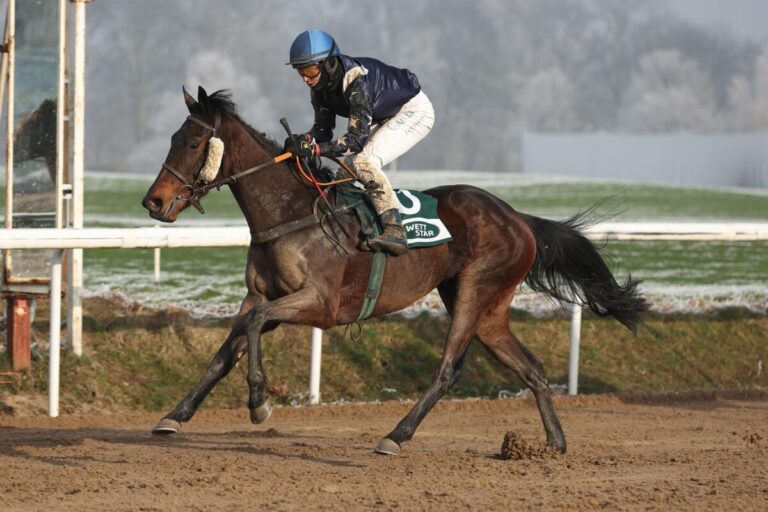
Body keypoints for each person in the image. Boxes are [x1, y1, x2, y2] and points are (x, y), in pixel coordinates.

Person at [284, 29, 434, 256]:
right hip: (383, 115)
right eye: (300, 72)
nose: (305, 78)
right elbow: (322, 131)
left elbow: (354, 142)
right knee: (345, 174)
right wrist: (302, 141)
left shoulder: (356, 82)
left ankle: (395, 228)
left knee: (363, 162)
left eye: (310, 70)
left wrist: (313, 149)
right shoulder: (319, 88)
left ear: (328, 64)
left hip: (412, 110)